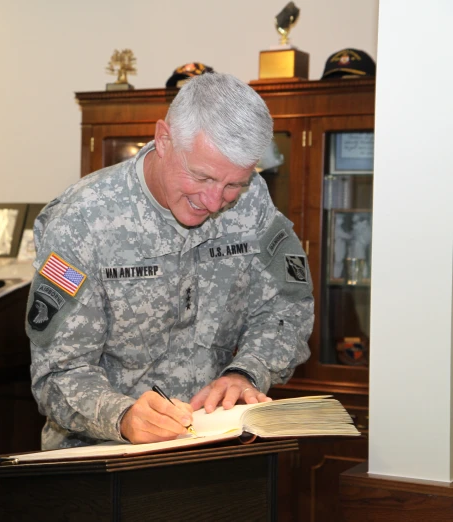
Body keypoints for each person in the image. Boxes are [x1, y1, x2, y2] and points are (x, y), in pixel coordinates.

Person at [27, 73, 314, 449]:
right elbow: (57, 373)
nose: (214, 202)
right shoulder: (83, 220)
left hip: (215, 448)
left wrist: (246, 372)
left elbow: (288, 306)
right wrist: (122, 416)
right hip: (105, 458)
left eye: (232, 185)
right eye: (202, 176)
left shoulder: (252, 198)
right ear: (164, 140)